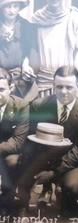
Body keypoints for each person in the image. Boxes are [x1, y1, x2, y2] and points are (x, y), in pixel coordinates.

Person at [14, 66, 78, 223]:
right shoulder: (39, 105)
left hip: (70, 160)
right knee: (23, 168)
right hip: (42, 156)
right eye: (59, 87)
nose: (64, 92)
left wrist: (54, 172)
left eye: (69, 87)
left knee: (74, 186)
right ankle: (21, 209)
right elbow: (29, 139)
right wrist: (34, 166)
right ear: (53, 85)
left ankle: (64, 198)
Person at [23, 0, 78, 97]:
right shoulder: (37, 19)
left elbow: (77, 55)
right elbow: (32, 51)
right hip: (44, 83)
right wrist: (25, 64)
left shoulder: (74, 17)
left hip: (66, 81)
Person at [0, 67, 29, 214]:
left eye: (1, 89)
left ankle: (7, 203)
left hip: (9, 152)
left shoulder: (20, 106)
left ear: (10, 88)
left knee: (13, 162)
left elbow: (17, 141)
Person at [0, 0, 37, 101]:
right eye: (8, 7)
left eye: (15, 6)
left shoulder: (26, 26)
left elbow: (30, 50)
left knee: (20, 107)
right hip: (1, 76)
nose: (12, 11)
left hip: (20, 76)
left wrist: (26, 65)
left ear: (19, 7)